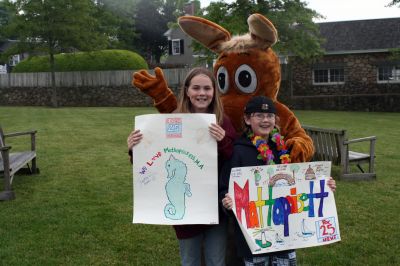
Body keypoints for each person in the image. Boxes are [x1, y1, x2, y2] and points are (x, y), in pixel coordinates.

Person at [128, 67, 237, 266]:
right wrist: (135, 148)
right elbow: (152, 161)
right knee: (189, 261)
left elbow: (234, 159)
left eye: (207, 88)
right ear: (187, 90)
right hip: (186, 213)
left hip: (215, 209)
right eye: (196, 88)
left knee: (216, 261)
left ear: (214, 92)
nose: (202, 93)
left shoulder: (222, 122)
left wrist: (222, 140)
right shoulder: (171, 121)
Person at [220, 96, 336, 266]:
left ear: (275, 120)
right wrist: (227, 201)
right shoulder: (238, 152)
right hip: (254, 240)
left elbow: (301, 182)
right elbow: (225, 188)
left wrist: (324, 185)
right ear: (247, 119)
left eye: (270, 116)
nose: (265, 120)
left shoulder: (283, 150)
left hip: (285, 236)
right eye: (259, 115)